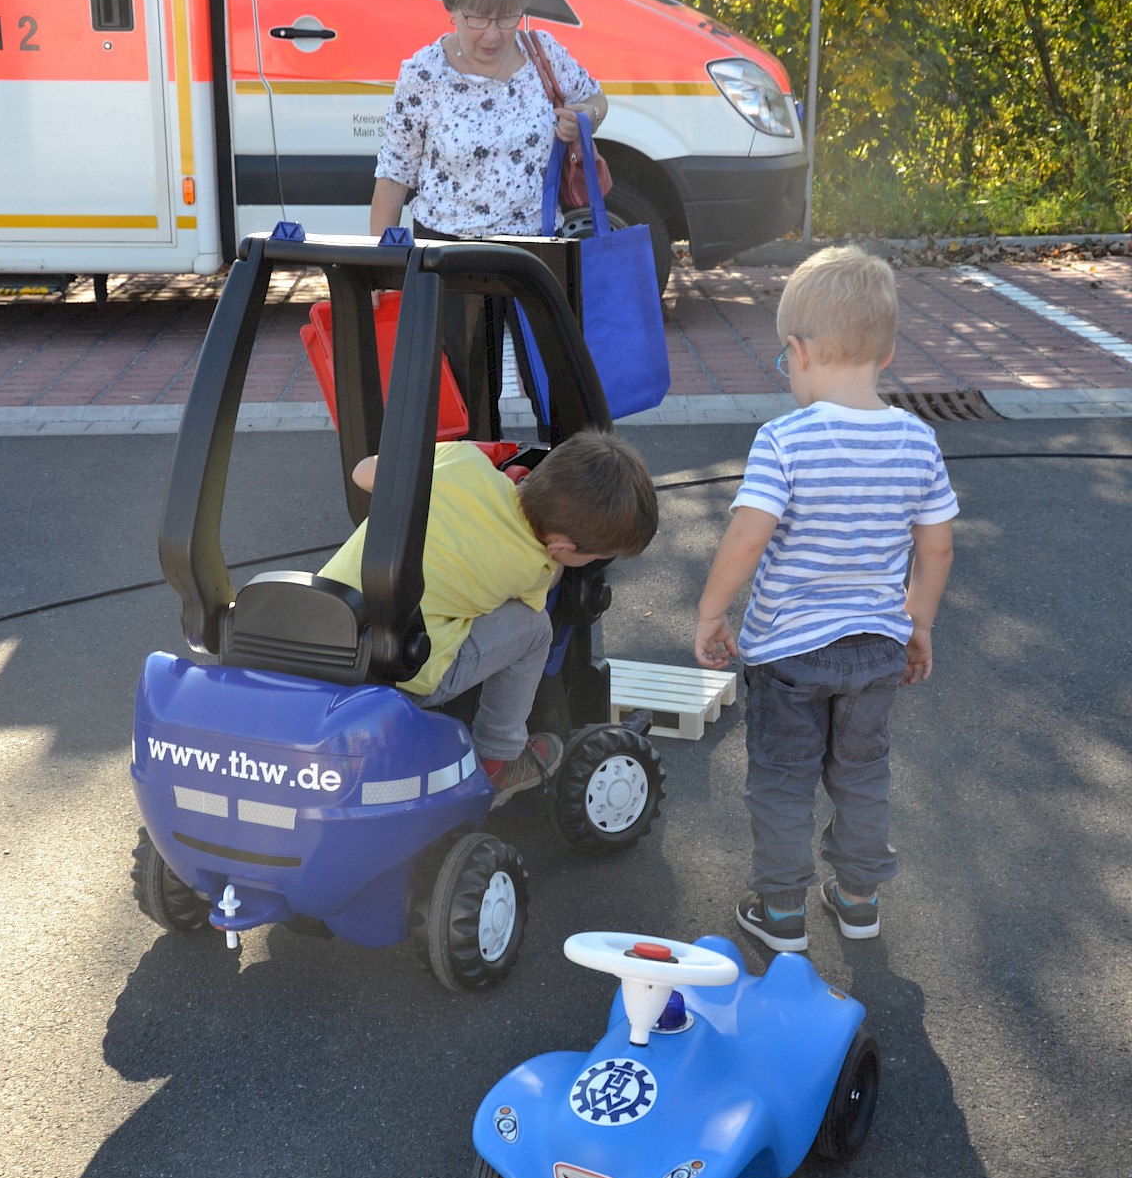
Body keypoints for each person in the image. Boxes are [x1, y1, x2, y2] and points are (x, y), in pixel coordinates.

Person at [693, 246, 958, 949]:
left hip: (789, 654)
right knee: (862, 773)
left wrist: (712, 610)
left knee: (783, 779)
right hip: (877, 646)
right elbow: (936, 549)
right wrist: (918, 623)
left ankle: (782, 911)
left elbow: (750, 537)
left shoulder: (784, 440)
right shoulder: (918, 441)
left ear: (799, 352)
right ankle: (860, 898)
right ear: (888, 351)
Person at [321, 430, 658, 803]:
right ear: (561, 547)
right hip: (400, 678)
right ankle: (500, 758)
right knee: (533, 630)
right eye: (594, 556)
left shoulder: (462, 461)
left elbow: (363, 473)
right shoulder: (534, 566)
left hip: (324, 645)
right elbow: (546, 588)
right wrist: (554, 561)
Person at [369, 0, 607, 426]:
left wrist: (582, 115)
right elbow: (393, 175)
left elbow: (597, 99)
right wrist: (379, 263)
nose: (492, 33)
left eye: (506, 17)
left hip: (537, 248)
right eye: (477, 17)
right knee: (469, 395)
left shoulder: (544, 54)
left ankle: (561, 490)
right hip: (451, 255)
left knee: (561, 387)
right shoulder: (423, 74)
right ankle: (477, 488)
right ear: (451, 8)